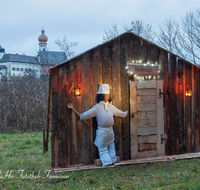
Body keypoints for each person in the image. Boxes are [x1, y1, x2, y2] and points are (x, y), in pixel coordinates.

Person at [80, 84, 128, 166]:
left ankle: (108, 162)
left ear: (98, 96)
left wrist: (81, 116)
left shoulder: (97, 107)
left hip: (103, 131)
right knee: (111, 146)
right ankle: (112, 159)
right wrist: (126, 112)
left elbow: (84, 115)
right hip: (110, 131)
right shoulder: (110, 107)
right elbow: (122, 114)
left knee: (103, 149)